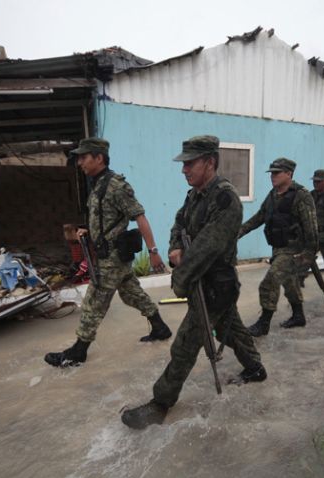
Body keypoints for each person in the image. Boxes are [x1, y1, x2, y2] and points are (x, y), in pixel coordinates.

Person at [121, 135, 266, 429]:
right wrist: (176, 247)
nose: (183, 170)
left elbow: (207, 248)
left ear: (210, 163)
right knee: (230, 329)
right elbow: (179, 223)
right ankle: (255, 368)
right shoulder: (195, 196)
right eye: (183, 164)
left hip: (215, 285)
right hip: (203, 280)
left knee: (186, 343)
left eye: (189, 163)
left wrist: (180, 272)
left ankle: (161, 402)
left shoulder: (225, 199)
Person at [44, 137, 172, 368]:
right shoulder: (98, 184)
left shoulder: (115, 186)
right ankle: (160, 328)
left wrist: (153, 251)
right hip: (112, 255)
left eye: (84, 157)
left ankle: (78, 351)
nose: (80, 162)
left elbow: (139, 216)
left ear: (99, 158)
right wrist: (90, 231)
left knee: (94, 302)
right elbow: (105, 220)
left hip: (111, 258)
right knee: (132, 293)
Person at [238, 158, 319, 337]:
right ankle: (299, 316)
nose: (272, 176)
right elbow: (260, 216)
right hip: (278, 247)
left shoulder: (302, 195)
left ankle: (264, 323)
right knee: (289, 283)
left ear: (289, 174)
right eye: (271, 173)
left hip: (294, 250)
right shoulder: (273, 194)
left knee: (270, 281)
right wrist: (238, 232)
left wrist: (309, 253)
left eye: (277, 173)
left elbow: (311, 227)